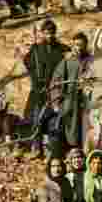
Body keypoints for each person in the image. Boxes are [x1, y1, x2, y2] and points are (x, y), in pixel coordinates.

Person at [22, 19, 69, 159]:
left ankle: (52, 149)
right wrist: (36, 79)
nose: (49, 36)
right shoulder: (36, 49)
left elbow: (67, 60)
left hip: (55, 90)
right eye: (46, 33)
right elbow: (27, 63)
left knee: (55, 119)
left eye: (51, 33)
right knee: (36, 118)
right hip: (39, 90)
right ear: (42, 33)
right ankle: (36, 147)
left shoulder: (61, 49)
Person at [50, 32, 92, 149]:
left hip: (87, 102)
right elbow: (55, 83)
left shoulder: (91, 61)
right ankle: (72, 152)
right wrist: (56, 103)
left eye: (81, 45)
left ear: (86, 45)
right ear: (73, 45)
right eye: (76, 45)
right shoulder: (67, 62)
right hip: (70, 100)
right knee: (70, 130)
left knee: (87, 130)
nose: (79, 48)